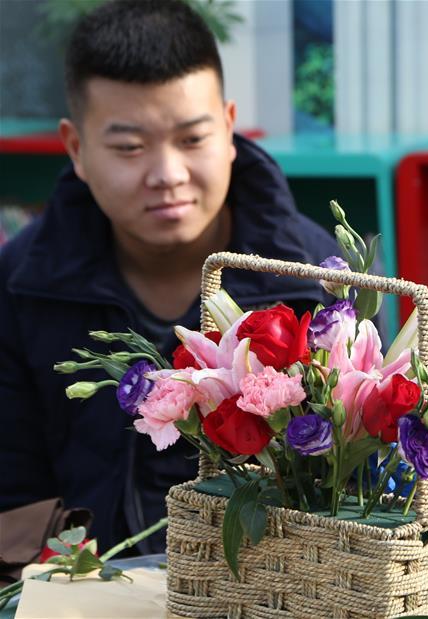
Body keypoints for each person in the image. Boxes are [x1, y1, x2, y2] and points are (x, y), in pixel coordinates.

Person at [0, 0, 338, 557]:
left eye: (192, 139)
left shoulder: (312, 283)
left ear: (229, 128)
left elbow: (353, 491)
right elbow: (12, 498)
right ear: (76, 149)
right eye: (129, 148)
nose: (167, 175)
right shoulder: (22, 284)